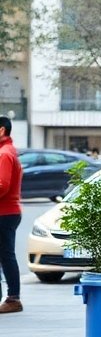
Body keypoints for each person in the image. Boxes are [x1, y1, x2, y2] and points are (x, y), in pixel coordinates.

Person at [0, 117, 21, 315]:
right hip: (7, 212)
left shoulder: (5, 153)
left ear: (1, 131)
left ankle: (13, 299)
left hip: (4, 213)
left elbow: (2, 185)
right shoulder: (7, 151)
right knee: (6, 256)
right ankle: (12, 298)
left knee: (6, 256)